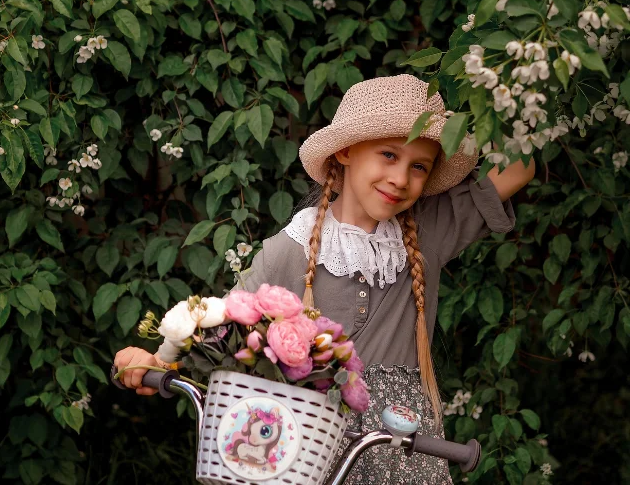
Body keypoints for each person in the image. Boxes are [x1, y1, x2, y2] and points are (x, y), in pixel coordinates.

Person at [114, 74, 535, 483]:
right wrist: (153, 360)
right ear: (347, 151)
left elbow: (518, 167)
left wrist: (496, 81)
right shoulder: (289, 250)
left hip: (404, 453)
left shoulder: (428, 230)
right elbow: (218, 328)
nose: (401, 179)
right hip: (310, 450)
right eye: (389, 155)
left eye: (419, 166)